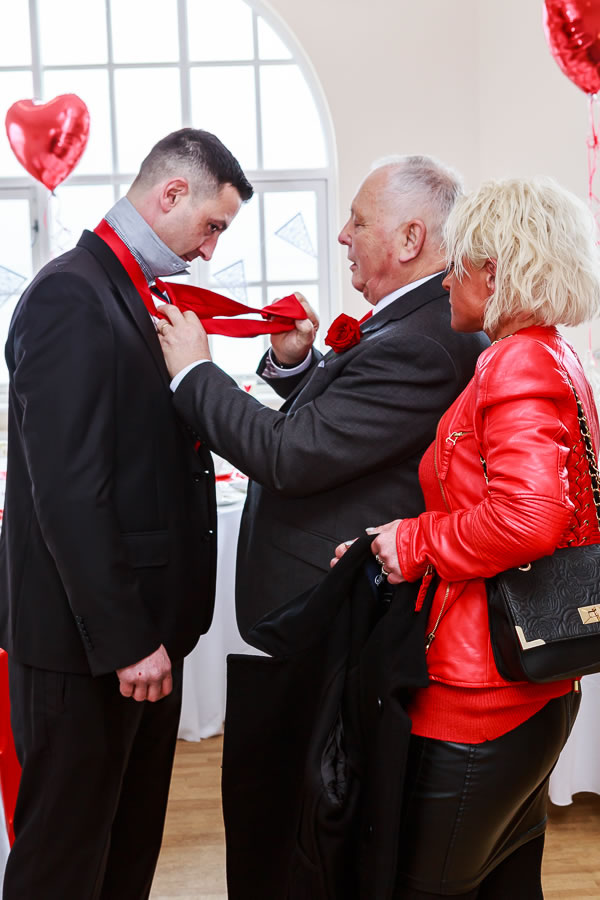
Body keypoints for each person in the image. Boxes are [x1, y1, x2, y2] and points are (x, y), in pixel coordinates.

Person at [0, 127, 252, 900]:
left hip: (144, 638)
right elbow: (69, 491)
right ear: (171, 193)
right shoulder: (70, 295)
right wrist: (127, 640)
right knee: (64, 861)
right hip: (89, 645)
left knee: (126, 849)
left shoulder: (139, 293)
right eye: (212, 225)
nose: (210, 249)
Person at [333, 175, 600, 898]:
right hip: (532, 683)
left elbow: (528, 517)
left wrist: (411, 544)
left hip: (482, 695)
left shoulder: (515, 361)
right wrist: (394, 540)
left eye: (457, 265)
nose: (447, 280)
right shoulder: (555, 354)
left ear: (494, 270)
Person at [158, 155, 489, 636]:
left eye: (359, 221)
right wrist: (297, 364)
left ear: (410, 239)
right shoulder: (420, 319)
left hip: (339, 604)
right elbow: (355, 423)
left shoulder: (424, 342)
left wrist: (195, 371)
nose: (342, 235)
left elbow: (289, 455)